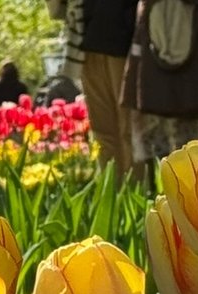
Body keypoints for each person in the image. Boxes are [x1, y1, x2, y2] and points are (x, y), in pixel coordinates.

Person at [122, 0, 198, 181]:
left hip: (182, 26)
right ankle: (169, 186)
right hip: (164, 26)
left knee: (183, 115)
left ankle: (189, 184)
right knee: (162, 116)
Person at [51, 0, 138, 174]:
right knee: (102, 129)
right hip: (88, 45)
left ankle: (136, 191)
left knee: (129, 128)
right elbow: (57, 9)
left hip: (123, 45)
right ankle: (112, 192)